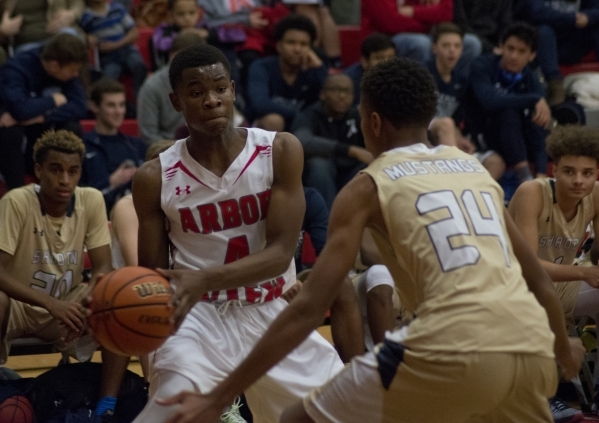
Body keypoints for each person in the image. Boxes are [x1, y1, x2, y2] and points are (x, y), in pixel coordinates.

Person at [157, 56, 585, 423]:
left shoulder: (367, 186)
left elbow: (308, 308)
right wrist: (563, 348)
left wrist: (217, 397)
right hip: (531, 345)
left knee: (296, 418)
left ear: (373, 122)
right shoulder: (471, 167)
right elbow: (538, 280)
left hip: (451, 341)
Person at [128, 43, 343, 423]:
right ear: (176, 101)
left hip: (271, 308)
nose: (211, 101)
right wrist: (110, 298)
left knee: (344, 412)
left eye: (219, 89)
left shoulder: (280, 150)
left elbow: (279, 254)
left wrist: (204, 279)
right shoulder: (154, 177)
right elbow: (156, 278)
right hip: (198, 318)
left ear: (232, 89)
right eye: (196, 93)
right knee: (170, 415)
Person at [0, 130, 130, 422]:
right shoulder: (16, 201)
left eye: (73, 171)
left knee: (117, 300)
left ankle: (106, 407)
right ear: (38, 170)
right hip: (19, 306)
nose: (65, 180)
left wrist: (88, 302)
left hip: (66, 308)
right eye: (56, 170)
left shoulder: (92, 199)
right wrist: (50, 304)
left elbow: (102, 268)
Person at [507, 124, 599, 423]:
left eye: (587, 173)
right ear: (554, 169)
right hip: (511, 289)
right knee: (535, 297)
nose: (578, 181)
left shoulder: (596, 196)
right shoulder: (532, 192)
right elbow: (528, 267)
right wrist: (585, 275)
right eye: (569, 171)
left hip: (558, 284)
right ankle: (547, 398)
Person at [468, 22, 550, 185]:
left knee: (535, 120)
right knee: (508, 112)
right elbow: (489, 101)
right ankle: (525, 177)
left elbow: (539, 126)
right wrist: (533, 99)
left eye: (521, 51)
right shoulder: (483, 66)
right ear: (501, 47)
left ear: (532, 55)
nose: (514, 56)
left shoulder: (533, 80)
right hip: (485, 136)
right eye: (510, 48)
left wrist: (542, 171)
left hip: (520, 140)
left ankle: (537, 177)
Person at [0, 32, 88, 180]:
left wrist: (41, 117)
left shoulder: (65, 68)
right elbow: (20, 109)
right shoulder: (16, 69)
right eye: (73, 70)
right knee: (10, 131)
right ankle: (15, 190)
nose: (75, 75)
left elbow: (80, 106)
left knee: (72, 127)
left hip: (40, 128)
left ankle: (72, 185)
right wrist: (53, 100)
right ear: (54, 66)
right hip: (15, 135)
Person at [427, 22, 505, 181]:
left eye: (457, 46)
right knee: (446, 124)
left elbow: (456, 120)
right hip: (423, 133)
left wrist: (460, 138)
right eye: (446, 45)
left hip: (447, 137)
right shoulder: (422, 75)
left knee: (496, 162)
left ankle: (474, 198)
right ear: (434, 48)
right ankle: (456, 184)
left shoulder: (461, 81)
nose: (452, 50)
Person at [291, 73, 372, 209]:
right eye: (336, 90)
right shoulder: (310, 115)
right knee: (319, 165)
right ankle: (325, 224)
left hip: (350, 173)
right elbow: (301, 141)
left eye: (347, 91)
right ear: (322, 94)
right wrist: (350, 150)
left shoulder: (357, 115)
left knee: (374, 166)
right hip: (321, 176)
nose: (342, 96)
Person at [245, 14, 327, 131]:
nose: (297, 49)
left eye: (304, 44)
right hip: (264, 129)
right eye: (291, 43)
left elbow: (330, 100)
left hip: (301, 128)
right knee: (274, 121)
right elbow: (260, 104)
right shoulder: (261, 67)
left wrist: (319, 68)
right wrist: (299, 115)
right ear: (279, 46)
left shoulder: (315, 69)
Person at [361, 0, 482, 75]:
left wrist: (413, 11)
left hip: (426, 34)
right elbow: (389, 22)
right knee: (420, 44)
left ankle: (454, 90)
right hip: (387, 39)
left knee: (471, 43)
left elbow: (446, 14)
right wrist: (428, 21)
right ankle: (420, 92)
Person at [514, 0, 599, 106]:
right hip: (542, 47)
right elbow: (535, 12)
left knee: (595, 26)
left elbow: (596, 9)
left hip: (571, 44)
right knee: (544, 30)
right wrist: (572, 19)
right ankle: (555, 86)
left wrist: (588, 17)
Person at [81, 78, 147, 215]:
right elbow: (76, 196)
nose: (118, 111)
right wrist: (112, 182)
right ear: (94, 106)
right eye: (111, 105)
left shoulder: (136, 146)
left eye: (122, 105)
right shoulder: (83, 147)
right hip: (97, 218)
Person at [137, 32, 204, 144]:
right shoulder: (152, 87)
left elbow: (233, 122)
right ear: (171, 56)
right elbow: (148, 136)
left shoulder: (208, 82)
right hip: (168, 152)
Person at [80, 0, 148, 96]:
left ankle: (140, 97)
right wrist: (87, 37)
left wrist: (116, 44)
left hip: (127, 50)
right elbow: (80, 33)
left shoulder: (117, 8)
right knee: (107, 81)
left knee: (139, 65)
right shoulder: (86, 16)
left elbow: (134, 33)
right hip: (108, 58)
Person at [343, 32, 396, 106]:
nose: (386, 63)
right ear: (364, 61)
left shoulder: (400, 77)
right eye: (379, 58)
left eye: (391, 58)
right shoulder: (348, 81)